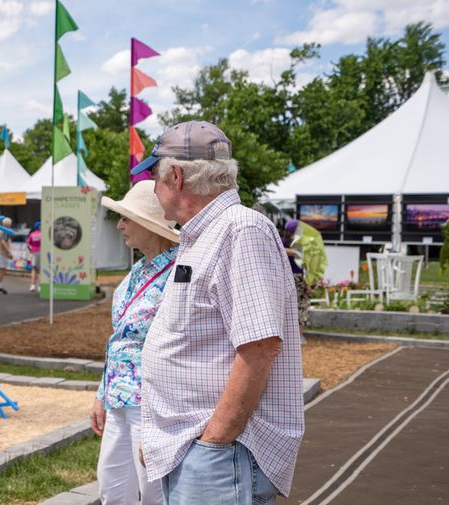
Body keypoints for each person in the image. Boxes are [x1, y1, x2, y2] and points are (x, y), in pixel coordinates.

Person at [132, 120, 304, 504]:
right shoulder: (209, 233)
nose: (152, 190)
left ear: (175, 176)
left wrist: (213, 441)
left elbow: (259, 347)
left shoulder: (240, 230)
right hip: (201, 450)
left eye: (154, 179)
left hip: (219, 457)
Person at [91, 181, 179, 505]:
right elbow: (118, 340)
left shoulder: (178, 272)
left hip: (152, 402)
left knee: (154, 492)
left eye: (126, 218)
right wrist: (102, 394)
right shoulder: (136, 272)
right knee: (112, 488)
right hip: (119, 398)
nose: (120, 225)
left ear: (147, 223)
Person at [282, 219, 327, 338]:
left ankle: (298, 337)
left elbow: (308, 263)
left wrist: (310, 282)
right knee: (295, 307)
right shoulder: (284, 243)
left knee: (302, 306)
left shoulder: (300, 243)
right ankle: (292, 337)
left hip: (299, 278)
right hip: (290, 277)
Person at [0, 217, 13, 294]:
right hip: (2, 253)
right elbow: (3, 242)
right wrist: (9, 252)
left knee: (1, 270)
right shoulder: (5, 231)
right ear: (9, 225)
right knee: (2, 270)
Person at [27, 221, 42, 292]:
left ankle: (33, 285)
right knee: (40, 270)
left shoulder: (32, 234)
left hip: (34, 252)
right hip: (42, 252)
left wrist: (31, 250)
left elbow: (28, 244)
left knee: (34, 268)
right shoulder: (44, 234)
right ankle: (40, 286)